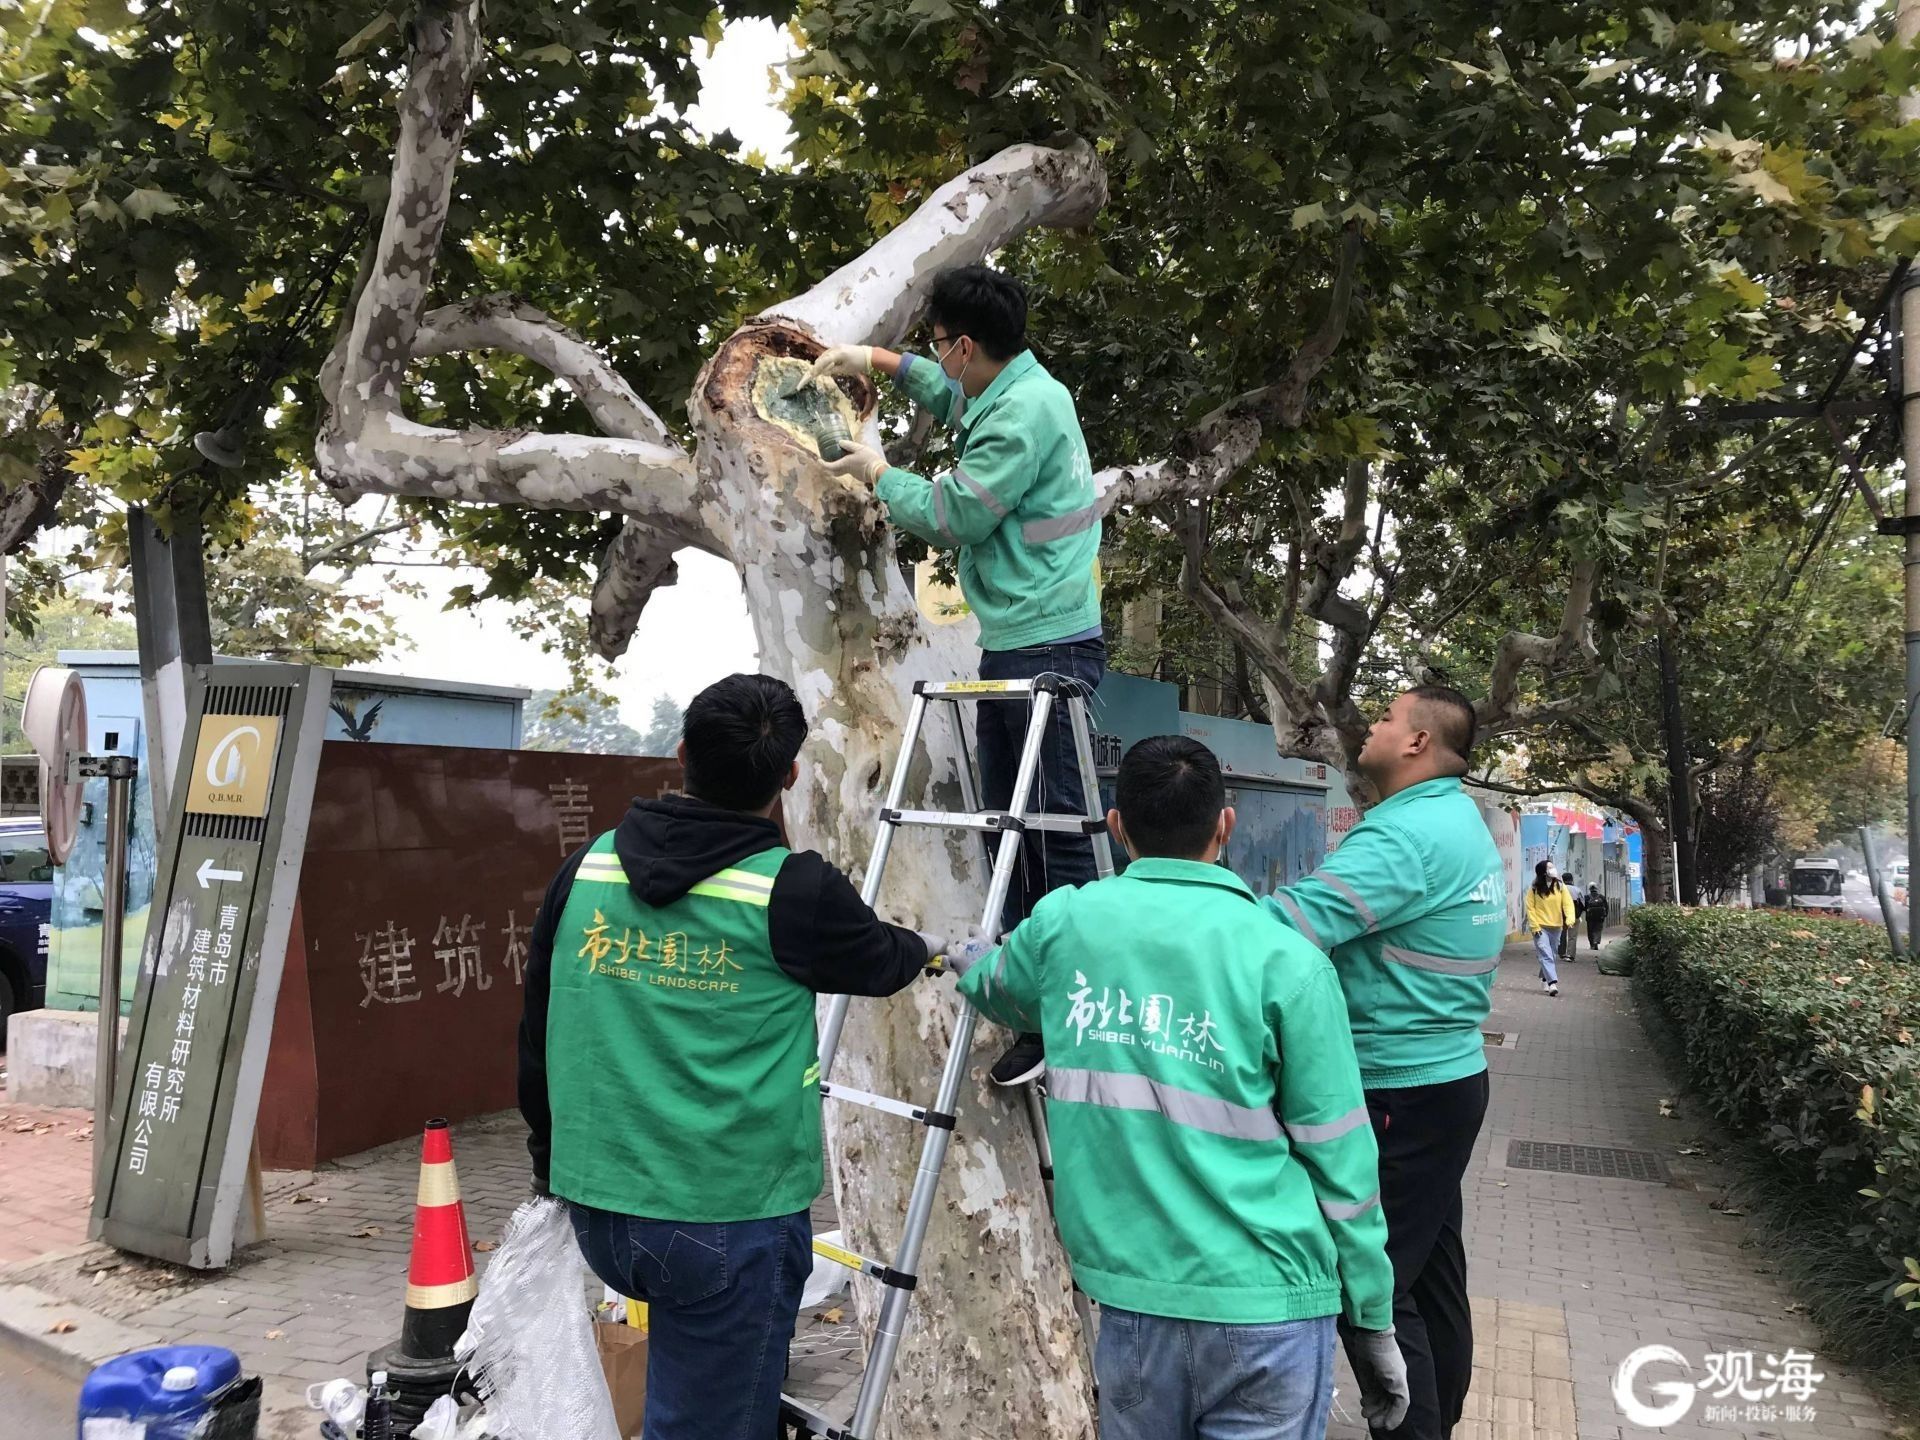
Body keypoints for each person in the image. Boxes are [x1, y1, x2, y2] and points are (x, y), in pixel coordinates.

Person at [946, 735, 1409, 1440]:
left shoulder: (1066, 924)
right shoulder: (1287, 961)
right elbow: (1343, 1162)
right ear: (1226, 825)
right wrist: (1371, 1316)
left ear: (1116, 825)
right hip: (1271, 1310)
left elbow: (1001, 990)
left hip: (1135, 1311)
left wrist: (972, 958)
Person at [517, 674, 939, 1440]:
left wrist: (549, 1164)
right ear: (789, 776)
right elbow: (880, 960)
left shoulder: (588, 870)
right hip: (724, 1220)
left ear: (680, 754)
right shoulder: (792, 891)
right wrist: (933, 947)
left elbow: (537, 1027)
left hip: (600, 1210)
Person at [806, 264, 1103, 1088]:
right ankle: (1022, 989)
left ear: (968, 343)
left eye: (940, 345)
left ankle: (1062, 1012)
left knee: (1047, 835)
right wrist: (878, 361)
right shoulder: (1013, 384)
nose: (939, 361)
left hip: (1049, 645)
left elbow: (953, 515)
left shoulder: (1025, 413)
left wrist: (875, 471)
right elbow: (950, 392)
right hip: (1022, 636)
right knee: (1009, 829)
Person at [1260, 685, 1505, 1440]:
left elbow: (1284, 927)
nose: (1371, 723)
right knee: (1430, 1277)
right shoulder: (1455, 818)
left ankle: (1413, 1429)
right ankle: (1440, 1419)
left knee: (1374, 1288)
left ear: (1418, 745)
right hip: (1446, 1080)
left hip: (1399, 1089)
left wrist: (1180, 913)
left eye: (1389, 717)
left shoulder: (1404, 839)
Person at [1525, 862, 1571, 998]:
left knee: (1552, 954)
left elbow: (1567, 904)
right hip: (1540, 927)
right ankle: (1552, 983)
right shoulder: (1534, 889)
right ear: (1543, 872)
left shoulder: (1560, 886)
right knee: (1545, 953)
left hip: (1556, 927)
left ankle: (1545, 978)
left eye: (1553, 866)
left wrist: (1570, 919)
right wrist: (1534, 926)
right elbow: (1530, 908)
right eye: (1549, 867)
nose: (1553, 869)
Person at [1558, 875, 1583, 963]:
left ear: (1563, 880)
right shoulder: (1577, 889)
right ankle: (1570, 955)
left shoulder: (1559, 889)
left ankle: (1562, 953)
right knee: (1572, 936)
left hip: (1561, 915)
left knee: (1562, 934)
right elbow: (1583, 904)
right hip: (1574, 916)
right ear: (1572, 880)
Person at [1584, 883, 1610, 952]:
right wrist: (1605, 914)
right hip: (1600, 917)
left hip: (1590, 917)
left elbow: (1584, 907)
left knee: (1590, 931)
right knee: (1598, 930)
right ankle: (1596, 941)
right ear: (1596, 889)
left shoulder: (1587, 897)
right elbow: (1606, 906)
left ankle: (1592, 944)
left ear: (1589, 889)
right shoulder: (1601, 897)